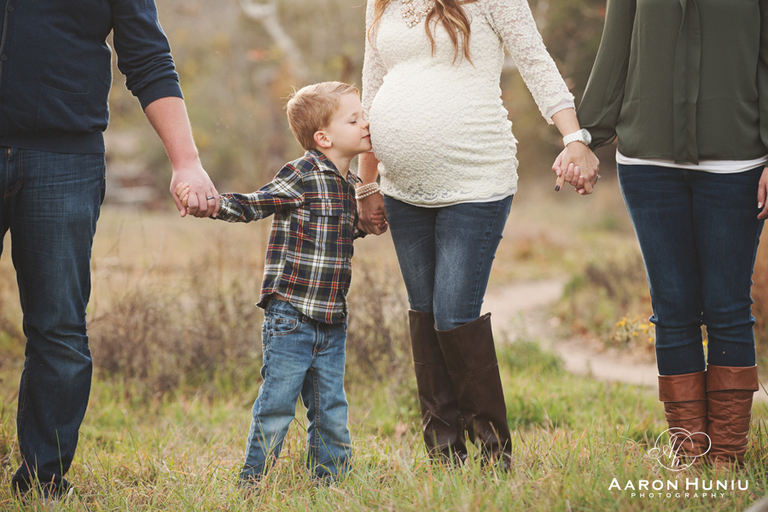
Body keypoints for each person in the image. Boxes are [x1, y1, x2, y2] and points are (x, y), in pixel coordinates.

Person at [359, 0, 599, 466]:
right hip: (401, 188)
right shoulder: (380, 2)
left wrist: (574, 138)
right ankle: (444, 456)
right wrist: (367, 184)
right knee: (424, 312)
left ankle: (494, 456)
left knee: (453, 314)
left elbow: (535, 60)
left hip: (476, 178)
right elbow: (371, 91)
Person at [3, 0, 218, 499]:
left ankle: (42, 485)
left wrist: (186, 161)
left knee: (58, 327)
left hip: (64, 158)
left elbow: (148, 58)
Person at [567, 0, 768, 468]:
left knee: (728, 306)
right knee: (672, 306)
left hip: (736, 159)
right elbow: (614, 48)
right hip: (647, 161)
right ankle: (691, 457)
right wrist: (583, 136)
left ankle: (728, 461)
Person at [177, 82, 385, 485]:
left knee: (331, 410)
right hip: (291, 315)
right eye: (354, 118)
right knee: (276, 406)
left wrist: (364, 225)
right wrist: (214, 205)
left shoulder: (348, 184)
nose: (366, 123)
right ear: (323, 137)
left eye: (364, 116)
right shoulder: (302, 172)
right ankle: (253, 482)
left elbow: (334, 234)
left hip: (331, 318)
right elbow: (257, 203)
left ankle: (331, 483)